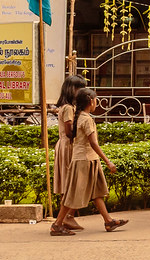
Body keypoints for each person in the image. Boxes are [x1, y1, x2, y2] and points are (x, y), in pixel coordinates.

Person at [50, 88, 127, 235]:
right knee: (72, 194)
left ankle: (108, 221)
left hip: (88, 159)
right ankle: (57, 224)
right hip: (84, 160)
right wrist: (108, 162)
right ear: (91, 102)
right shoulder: (87, 119)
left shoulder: (80, 117)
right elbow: (93, 143)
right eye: (96, 100)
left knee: (97, 193)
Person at [52, 74, 86, 231]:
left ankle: (67, 217)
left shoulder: (69, 108)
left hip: (67, 146)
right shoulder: (68, 109)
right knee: (70, 183)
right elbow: (68, 131)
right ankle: (66, 217)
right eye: (79, 88)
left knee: (71, 183)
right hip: (68, 147)